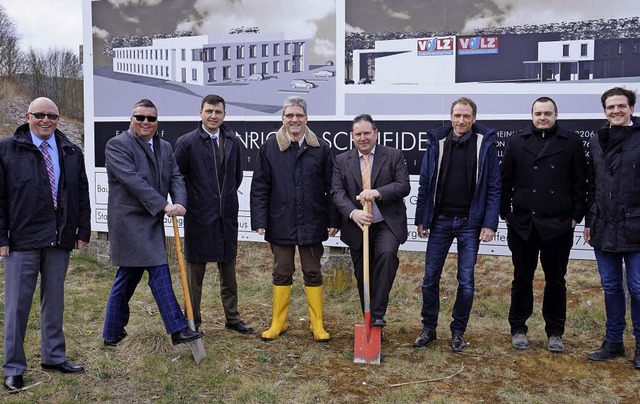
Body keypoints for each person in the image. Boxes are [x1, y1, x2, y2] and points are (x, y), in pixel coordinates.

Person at [0, 97, 91, 392]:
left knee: (55, 302)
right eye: (39, 115)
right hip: (22, 241)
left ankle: (53, 356)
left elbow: (81, 194)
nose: (45, 120)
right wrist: (2, 237)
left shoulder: (70, 151)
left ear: (58, 118)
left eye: (51, 115)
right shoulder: (7, 149)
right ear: (28, 116)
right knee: (17, 307)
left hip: (59, 238)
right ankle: (14, 368)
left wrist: (82, 231)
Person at [102, 99, 203, 348]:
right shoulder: (117, 145)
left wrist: (179, 202)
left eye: (151, 118)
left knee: (127, 276)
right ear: (131, 119)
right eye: (140, 117)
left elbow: (176, 176)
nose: (146, 122)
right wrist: (163, 205)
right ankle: (178, 329)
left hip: (152, 220)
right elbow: (134, 181)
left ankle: (111, 332)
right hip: (130, 222)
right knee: (159, 270)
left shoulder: (165, 147)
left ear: (157, 122)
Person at [413, 97, 500, 352]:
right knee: (430, 278)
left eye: (466, 116)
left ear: (474, 118)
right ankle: (428, 328)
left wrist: (489, 223)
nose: (461, 120)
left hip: (470, 224)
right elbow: (426, 183)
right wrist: (422, 218)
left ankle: (458, 332)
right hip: (439, 221)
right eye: (457, 116)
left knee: (466, 281)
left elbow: (494, 187)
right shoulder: (437, 142)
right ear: (451, 117)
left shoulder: (485, 144)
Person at [501, 97, 587, 353]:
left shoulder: (571, 141)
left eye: (547, 113)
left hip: (558, 224)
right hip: (524, 224)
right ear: (531, 115)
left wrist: (575, 216)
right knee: (521, 279)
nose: (542, 118)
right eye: (538, 113)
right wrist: (507, 215)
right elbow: (505, 181)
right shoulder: (517, 141)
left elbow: (580, 181)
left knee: (556, 281)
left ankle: (555, 332)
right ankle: (518, 328)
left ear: (556, 114)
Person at [250, 96, 339, 342]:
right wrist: (260, 218)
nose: (294, 120)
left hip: (313, 220)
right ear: (283, 119)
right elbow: (260, 186)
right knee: (281, 271)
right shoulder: (270, 147)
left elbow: (331, 187)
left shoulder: (320, 148)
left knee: (313, 271)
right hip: (281, 220)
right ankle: (278, 322)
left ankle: (317, 324)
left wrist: (333, 219)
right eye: (289, 115)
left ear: (306, 119)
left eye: (299, 115)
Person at [174, 94, 253, 334]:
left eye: (218, 112)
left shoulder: (232, 140)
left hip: (226, 216)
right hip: (199, 217)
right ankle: (193, 321)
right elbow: (178, 178)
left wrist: (226, 200)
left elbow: (236, 176)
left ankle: (232, 317)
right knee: (194, 274)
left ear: (224, 115)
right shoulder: (186, 142)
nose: (213, 116)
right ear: (200, 112)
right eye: (209, 111)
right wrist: (191, 203)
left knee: (228, 271)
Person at [332, 114, 410, 328]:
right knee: (362, 273)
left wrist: (377, 192)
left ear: (376, 133)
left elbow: (403, 186)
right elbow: (337, 192)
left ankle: (376, 316)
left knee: (386, 255)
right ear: (352, 137)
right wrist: (353, 213)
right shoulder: (341, 160)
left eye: (367, 133)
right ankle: (368, 318)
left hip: (386, 223)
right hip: (358, 226)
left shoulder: (393, 155)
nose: (363, 138)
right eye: (358, 134)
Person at [585, 87, 640, 369]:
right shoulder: (596, 138)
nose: (615, 111)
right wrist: (589, 220)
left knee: (638, 288)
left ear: (631, 107)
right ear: (604, 111)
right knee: (610, 287)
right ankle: (613, 341)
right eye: (610, 107)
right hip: (603, 226)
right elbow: (592, 184)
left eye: (621, 106)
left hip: (636, 227)